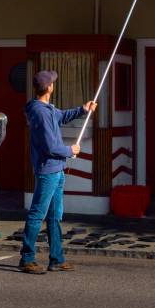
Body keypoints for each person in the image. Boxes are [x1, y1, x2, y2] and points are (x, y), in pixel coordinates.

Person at [19, 69, 97, 274]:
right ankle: (27, 258)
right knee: (38, 213)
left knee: (54, 215)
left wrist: (83, 108)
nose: (55, 84)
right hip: (48, 171)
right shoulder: (40, 112)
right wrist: (70, 150)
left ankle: (57, 258)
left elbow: (62, 116)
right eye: (53, 82)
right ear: (50, 87)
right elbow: (50, 147)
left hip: (57, 169)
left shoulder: (47, 108)